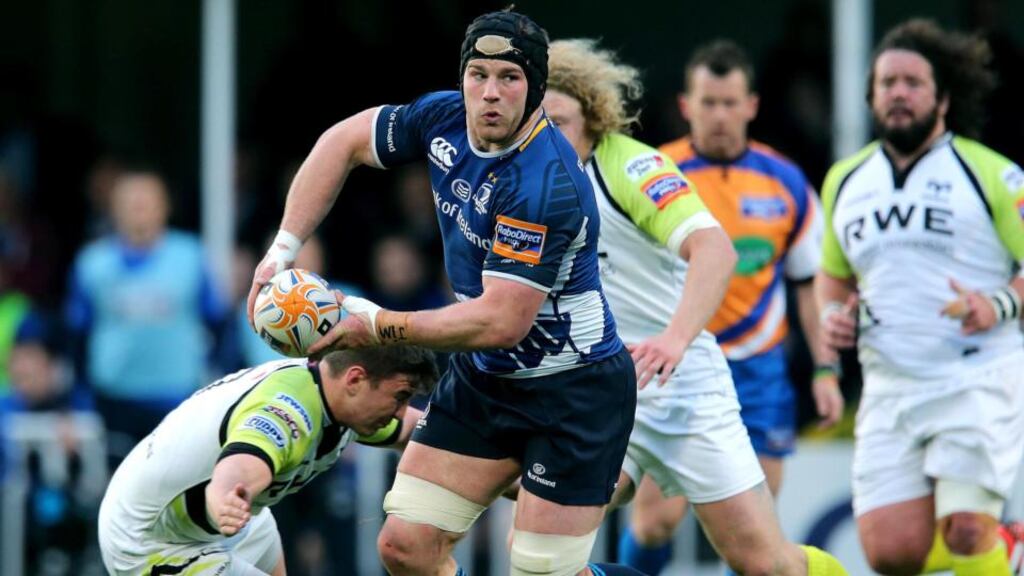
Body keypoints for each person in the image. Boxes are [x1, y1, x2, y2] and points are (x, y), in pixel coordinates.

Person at [246, 10, 642, 576]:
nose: (489, 93)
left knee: (541, 572)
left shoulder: (544, 182)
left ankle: (581, 485)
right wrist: (280, 252)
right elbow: (342, 142)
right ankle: (569, 481)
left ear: (534, 88)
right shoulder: (442, 117)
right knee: (403, 548)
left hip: (572, 392)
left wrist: (376, 324)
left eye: (509, 78)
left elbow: (501, 322)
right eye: (477, 74)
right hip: (485, 381)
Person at [540, 37, 847, 576]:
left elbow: (802, 282)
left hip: (733, 371)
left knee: (759, 557)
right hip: (636, 373)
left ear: (752, 106)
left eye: (731, 103)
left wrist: (824, 368)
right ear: (687, 105)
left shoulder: (778, 181)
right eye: (709, 102)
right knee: (627, 520)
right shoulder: (619, 168)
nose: (721, 116)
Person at [816, 19, 1024, 576]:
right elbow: (833, 276)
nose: (899, 93)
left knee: (964, 529)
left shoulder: (991, 174)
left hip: (977, 376)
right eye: (887, 83)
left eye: (913, 82)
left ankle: (987, 538)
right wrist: (833, 320)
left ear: (944, 98)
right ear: (872, 97)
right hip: (890, 384)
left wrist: (998, 304)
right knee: (892, 555)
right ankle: (1007, 543)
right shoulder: (845, 180)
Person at [97, 346, 439, 576]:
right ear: (355, 379)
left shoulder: (341, 399)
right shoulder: (288, 411)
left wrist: (486, 463)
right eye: (400, 396)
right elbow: (241, 465)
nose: (399, 410)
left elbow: (420, 431)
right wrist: (227, 494)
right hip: (148, 537)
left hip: (224, 519)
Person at [65, 168, 229, 462]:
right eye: (130, 203)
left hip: (177, 397)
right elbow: (77, 334)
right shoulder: (91, 264)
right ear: (114, 209)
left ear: (164, 207)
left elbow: (217, 323)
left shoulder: (190, 257)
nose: (139, 210)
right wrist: (78, 402)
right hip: (114, 399)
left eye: (147, 202)